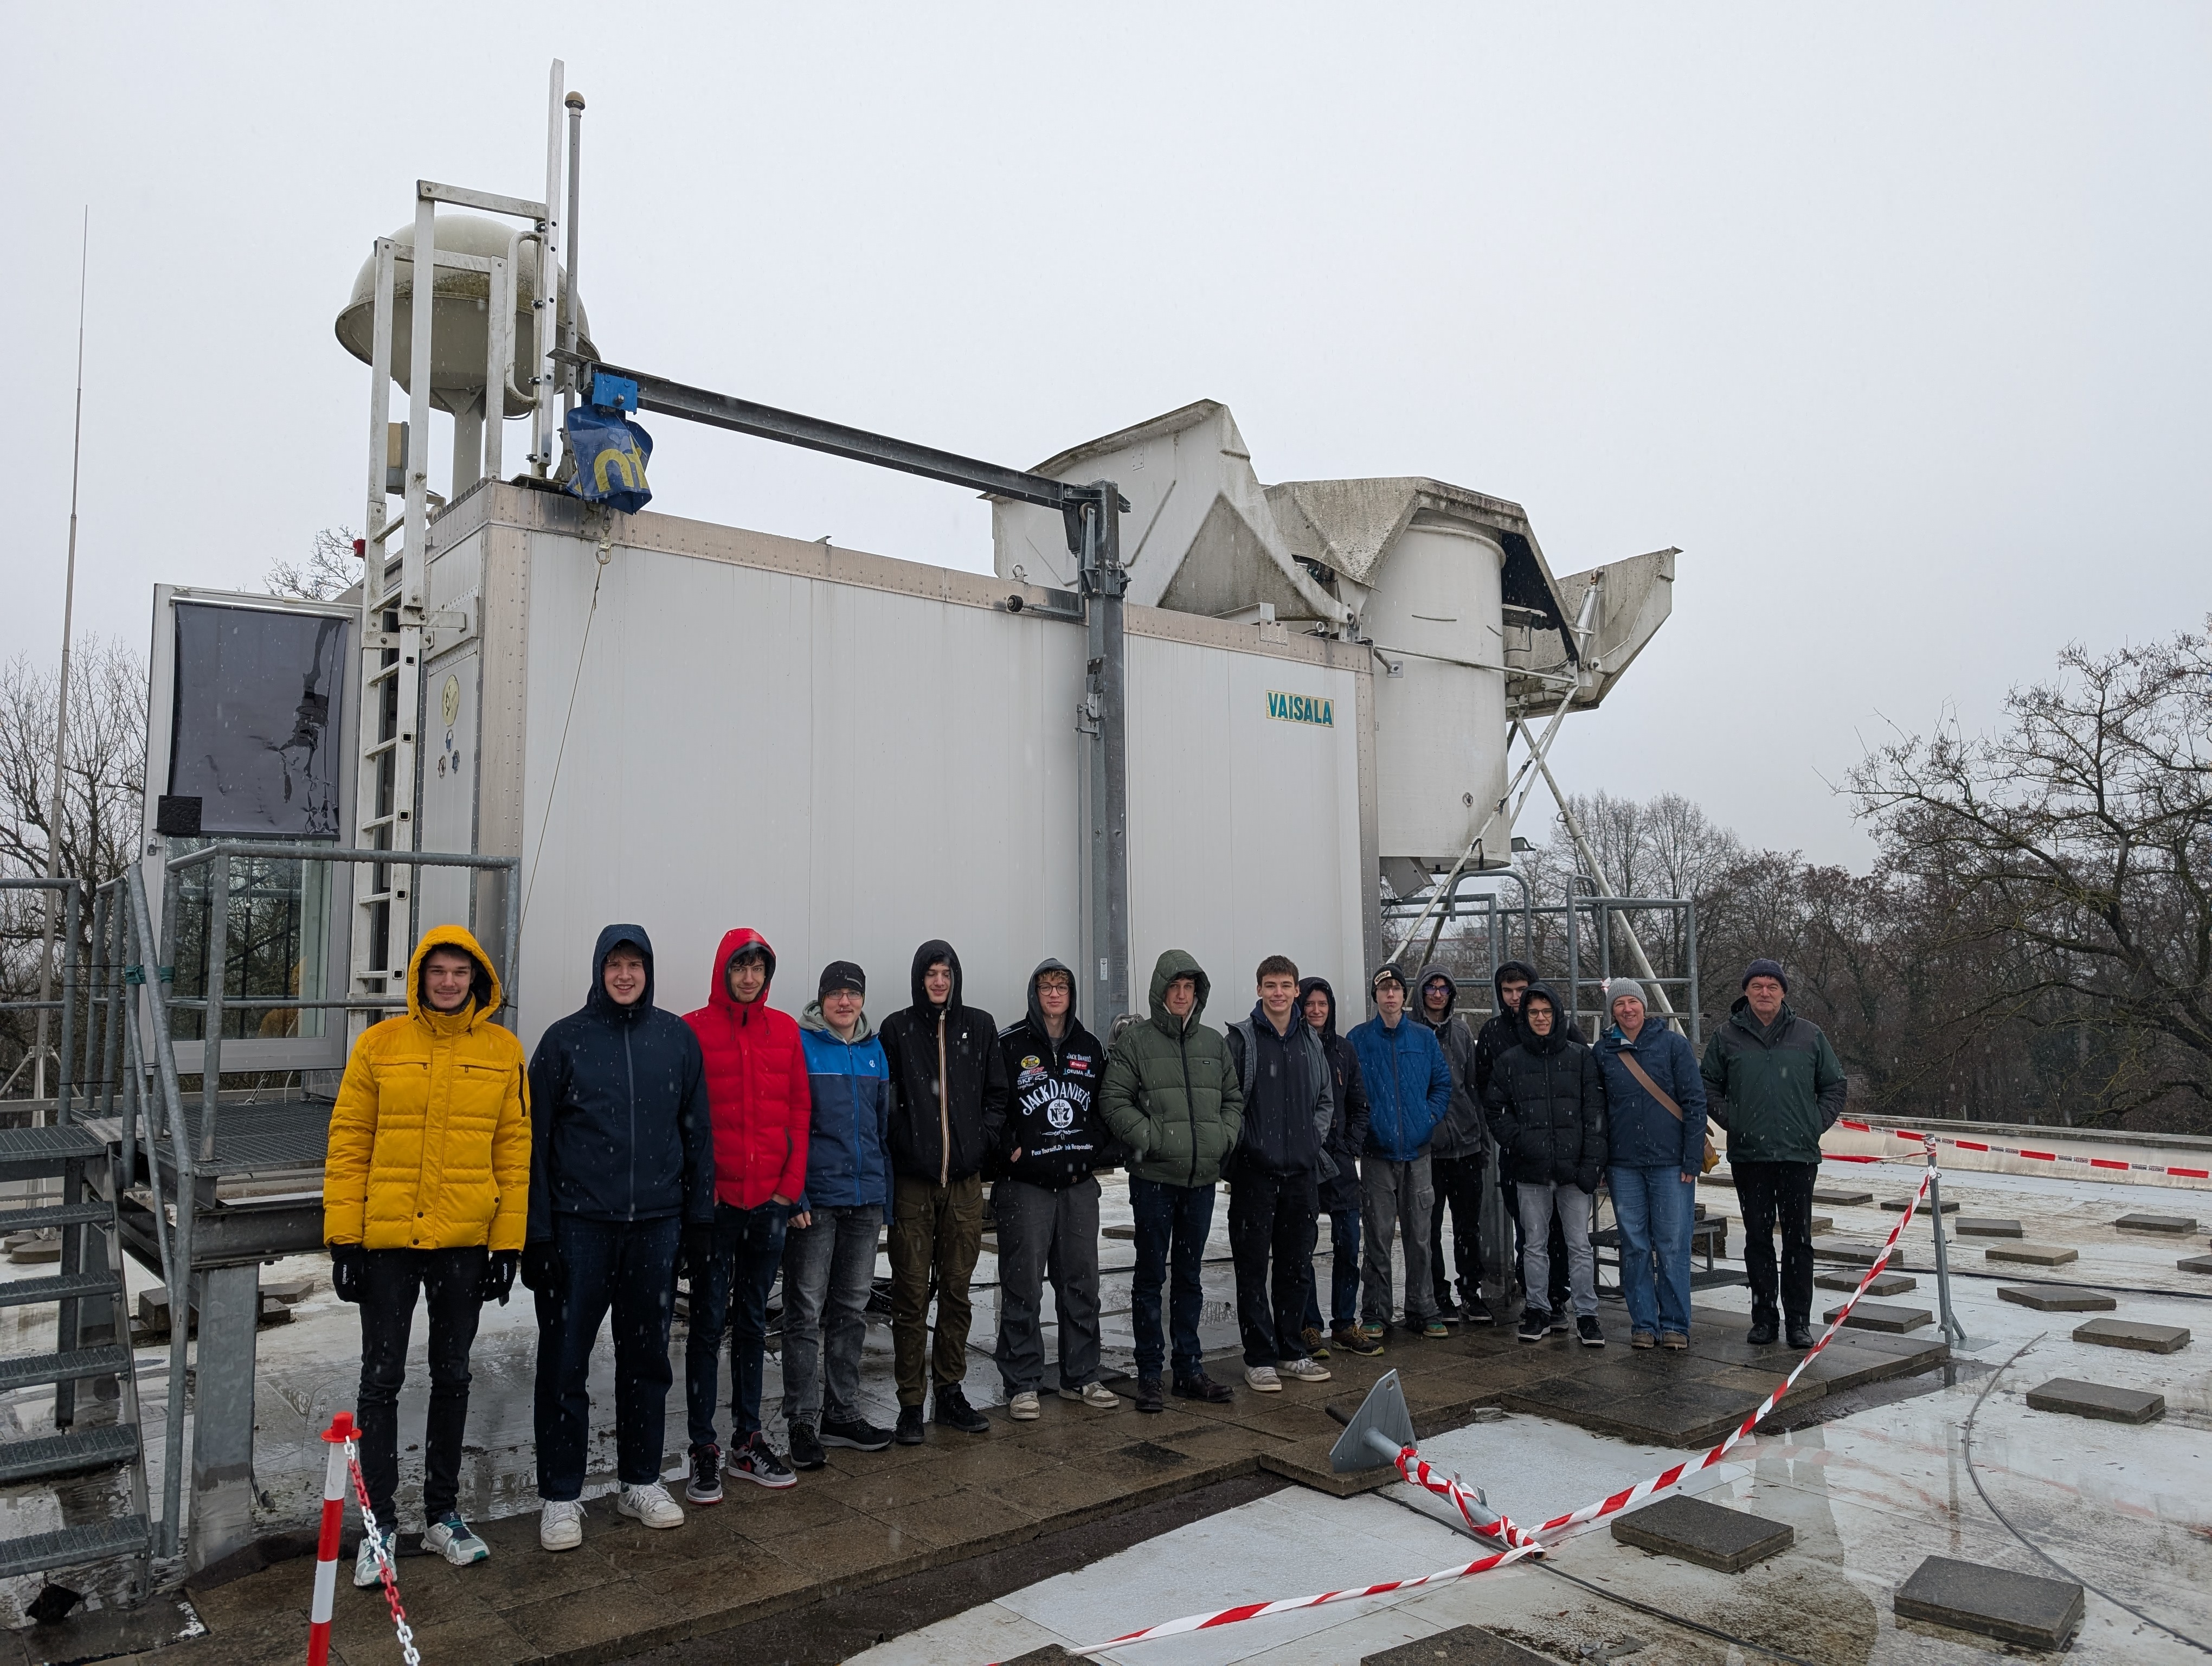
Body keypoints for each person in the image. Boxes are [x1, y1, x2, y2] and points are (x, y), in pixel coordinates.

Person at [324, 926, 528, 1587]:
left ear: (477, 980)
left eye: (459, 973)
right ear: (419, 977)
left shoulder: (502, 1050)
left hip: (465, 1244)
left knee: (454, 1374)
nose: (447, 982)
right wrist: (344, 1237)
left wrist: (507, 1243)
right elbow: (350, 1139)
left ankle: (443, 1514)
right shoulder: (380, 1045)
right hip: (387, 1244)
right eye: (436, 971)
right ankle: (378, 1525)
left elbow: (512, 1151)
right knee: (381, 1381)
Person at [524, 926, 715, 1552]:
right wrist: (540, 1235)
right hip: (580, 1228)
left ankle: (640, 1480)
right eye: (615, 964)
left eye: (636, 965)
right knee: (564, 1363)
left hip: (656, 1228)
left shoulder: (675, 1040)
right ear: (599, 969)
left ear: (648, 971)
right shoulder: (565, 1041)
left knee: (647, 1362)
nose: (626, 975)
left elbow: (697, 1138)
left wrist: (698, 1221)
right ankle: (560, 1495)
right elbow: (538, 1145)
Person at [680, 929, 810, 1498]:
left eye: (759, 968)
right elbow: (683, 1119)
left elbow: (800, 1110)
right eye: (741, 967)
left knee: (754, 1323)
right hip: (717, 1208)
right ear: (724, 971)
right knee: (708, 1325)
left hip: (768, 1205)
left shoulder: (783, 1030)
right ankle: (704, 1446)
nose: (750, 977)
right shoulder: (694, 1030)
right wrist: (699, 1195)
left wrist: (788, 1188)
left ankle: (748, 1440)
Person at [1101, 950, 1244, 1411]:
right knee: (1148, 1277)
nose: (1182, 995)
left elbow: (1233, 1099)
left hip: (1200, 1181)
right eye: (1175, 987)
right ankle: (1148, 1374)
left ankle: (1188, 1368)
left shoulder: (1213, 1043)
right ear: (1161, 991)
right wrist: (1154, 1138)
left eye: (1189, 987)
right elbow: (1114, 1100)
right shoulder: (1137, 1043)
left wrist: (1222, 1137)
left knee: (1189, 1278)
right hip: (1155, 1180)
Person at [879, 940, 1008, 1442]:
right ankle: (911, 1402)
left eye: (946, 973)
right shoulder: (897, 1029)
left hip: (964, 1186)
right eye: (931, 973)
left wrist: (983, 1143)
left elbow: (998, 1095)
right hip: (914, 1186)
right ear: (919, 978)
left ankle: (949, 1391)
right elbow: (887, 1103)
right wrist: (906, 1144)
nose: (939, 982)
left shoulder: (979, 1026)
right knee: (910, 1296)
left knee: (958, 1291)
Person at [992, 959, 1122, 1420]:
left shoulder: (1089, 1046)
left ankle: (1081, 1375)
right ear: (1035, 992)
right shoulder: (1009, 1044)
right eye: (1046, 986)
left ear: (1071, 993)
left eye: (1061, 986)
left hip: (1076, 1183)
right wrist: (1006, 1146)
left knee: (1082, 1282)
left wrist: (1096, 1151)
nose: (1053, 994)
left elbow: (1108, 1105)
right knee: (1023, 1284)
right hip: (1025, 1185)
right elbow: (994, 1103)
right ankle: (1023, 1381)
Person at [1701, 959, 1847, 1350]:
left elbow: (1834, 1085)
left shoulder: (1809, 1036)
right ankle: (1764, 1317)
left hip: (1798, 1155)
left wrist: (1813, 1123)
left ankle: (1799, 1321)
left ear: (1784, 992)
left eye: (1772, 986)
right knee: (1758, 1239)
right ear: (1745, 990)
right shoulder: (1727, 1037)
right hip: (1751, 1157)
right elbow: (1707, 1084)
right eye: (1757, 986)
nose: (1765, 992)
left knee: (1798, 1241)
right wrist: (1735, 1120)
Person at [785, 960, 896, 1469]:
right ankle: (803, 1420)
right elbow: (791, 1125)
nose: (844, 1003)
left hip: (865, 1200)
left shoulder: (875, 1052)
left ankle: (842, 1412)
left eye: (853, 994)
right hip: (817, 1202)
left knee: (851, 1310)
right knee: (805, 1312)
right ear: (822, 1000)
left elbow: (883, 1130)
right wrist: (796, 1195)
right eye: (835, 995)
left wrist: (884, 1196)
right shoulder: (802, 1046)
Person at [1223, 956, 1334, 1393]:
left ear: (1296, 991)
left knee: (1296, 1266)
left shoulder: (1310, 1039)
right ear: (1259, 990)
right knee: (1252, 1268)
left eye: (1286, 985)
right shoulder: (1242, 1040)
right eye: (1270, 985)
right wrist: (1248, 1146)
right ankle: (1259, 1358)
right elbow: (1229, 1104)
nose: (1278, 993)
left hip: (1302, 1176)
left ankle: (1292, 1351)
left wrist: (1311, 1140)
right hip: (1256, 1174)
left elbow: (1325, 1099)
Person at [1484, 982, 1608, 1347]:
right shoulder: (1511, 1062)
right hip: (1531, 1171)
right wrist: (1522, 1144)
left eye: (1546, 1012)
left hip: (1573, 1172)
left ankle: (1587, 1314)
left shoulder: (1579, 1057)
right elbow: (1496, 1110)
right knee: (1534, 1245)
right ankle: (1537, 1308)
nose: (1540, 1018)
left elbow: (1595, 1115)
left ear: (1557, 1015)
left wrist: (1591, 1165)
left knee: (1579, 1246)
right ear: (1525, 1017)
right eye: (1534, 1013)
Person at [1596, 979, 1707, 1350]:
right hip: (1623, 1163)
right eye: (1619, 1004)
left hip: (1671, 1163)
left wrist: (1692, 1157)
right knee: (1635, 1245)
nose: (1627, 1009)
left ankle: (1676, 1324)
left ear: (1645, 1006)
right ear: (1611, 1011)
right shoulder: (1603, 1052)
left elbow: (1694, 1103)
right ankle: (1644, 1323)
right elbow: (1597, 1111)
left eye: (1633, 1002)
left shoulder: (1673, 1046)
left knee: (1674, 1244)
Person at [1347, 964, 1453, 1345]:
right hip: (1377, 1154)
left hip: (1418, 1153)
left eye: (1396, 989)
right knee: (1376, 1235)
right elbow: (1351, 1092)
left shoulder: (1424, 1038)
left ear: (1404, 996)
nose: (1390, 995)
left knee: (1421, 1236)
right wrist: (1367, 1128)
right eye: (1384, 989)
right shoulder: (1359, 1039)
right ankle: (1376, 1311)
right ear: (1375, 996)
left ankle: (1423, 1309)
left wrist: (1427, 1118)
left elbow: (1442, 1084)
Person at [1475, 960, 1574, 1316]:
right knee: (1529, 1231)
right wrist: (1515, 1136)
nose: (1515, 998)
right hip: (1520, 1149)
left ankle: (1558, 1296)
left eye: (1521, 990)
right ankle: (1536, 1298)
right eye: (1508, 991)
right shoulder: (1493, 1034)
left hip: (1562, 1148)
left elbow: (1581, 1085)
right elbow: (1487, 1093)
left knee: (1561, 1231)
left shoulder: (1563, 1030)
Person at [1297, 977, 1374, 1357]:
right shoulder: (1292, 1048)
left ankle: (1344, 1324)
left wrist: (1351, 1144)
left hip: (1341, 1164)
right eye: (1309, 1004)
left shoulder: (1344, 1050)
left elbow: (1361, 1104)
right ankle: (1309, 1325)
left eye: (1321, 1004)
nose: (1315, 1010)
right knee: (1303, 1247)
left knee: (1348, 1243)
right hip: (1306, 1161)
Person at [1412, 965, 1491, 1327]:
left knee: (1467, 1227)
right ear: (1422, 991)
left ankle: (1470, 1292)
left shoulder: (1461, 1032)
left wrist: (1481, 1138)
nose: (1438, 994)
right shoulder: (1412, 1034)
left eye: (1444, 988)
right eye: (1432, 987)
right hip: (1429, 1149)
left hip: (1467, 1145)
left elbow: (1472, 1087)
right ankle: (1438, 1294)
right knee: (1428, 1228)